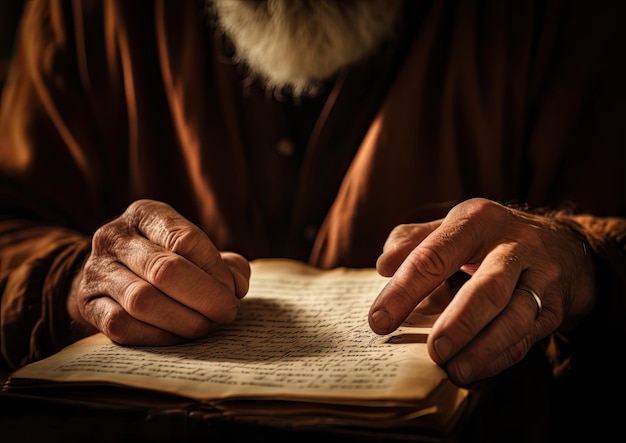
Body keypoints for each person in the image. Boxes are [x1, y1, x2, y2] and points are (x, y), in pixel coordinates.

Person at [0, 0, 624, 441]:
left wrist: (579, 259)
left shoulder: (565, 17)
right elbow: (13, 224)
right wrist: (76, 282)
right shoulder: (88, 13)